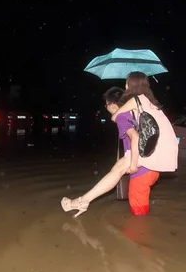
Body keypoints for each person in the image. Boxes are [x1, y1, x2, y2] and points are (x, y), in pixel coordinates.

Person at [60, 87, 159, 217]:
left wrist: (133, 165)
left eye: (106, 104)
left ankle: (82, 202)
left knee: (139, 215)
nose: (106, 108)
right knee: (118, 172)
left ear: (113, 105)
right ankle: (82, 201)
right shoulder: (134, 112)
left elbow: (135, 137)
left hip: (142, 172)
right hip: (152, 168)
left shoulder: (122, 116)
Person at [111, 71, 178, 174]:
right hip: (165, 144)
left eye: (126, 82)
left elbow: (115, 117)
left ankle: (94, 191)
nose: (125, 85)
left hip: (157, 145)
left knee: (117, 170)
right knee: (120, 167)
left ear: (129, 84)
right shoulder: (149, 100)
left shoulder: (136, 100)